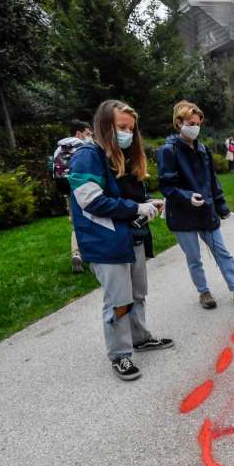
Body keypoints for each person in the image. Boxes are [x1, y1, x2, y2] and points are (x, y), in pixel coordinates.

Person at [68, 100, 173, 381]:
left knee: (137, 294)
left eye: (130, 128)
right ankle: (120, 355)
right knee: (119, 300)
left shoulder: (122, 155)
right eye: (121, 127)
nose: (127, 133)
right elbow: (91, 201)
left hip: (130, 237)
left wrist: (146, 203)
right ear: (104, 126)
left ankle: (140, 338)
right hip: (106, 242)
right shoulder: (87, 156)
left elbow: (126, 196)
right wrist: (135, 208)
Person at [158, 101, 234, 311]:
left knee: (222, 252)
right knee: (194, 258)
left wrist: (221, 206)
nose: (195, 127)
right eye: (191, 123)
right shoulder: (168, 150)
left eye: (198, 123)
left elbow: (212, 180)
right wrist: (186, 197)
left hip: (205, 211)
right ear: (179, 123)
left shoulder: (202, 149)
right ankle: (203, 292)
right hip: (183, 215)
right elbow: (167, 185)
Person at [53, 119, 93, 273]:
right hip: (84, 188)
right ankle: (91, 254)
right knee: (92, 219)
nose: (90, 136)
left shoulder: (58, 149)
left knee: (76, 223)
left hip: (67, 189)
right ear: (78, 133)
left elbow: (54, 173)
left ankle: (76, 253)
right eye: (88, 133)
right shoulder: (84, 147)